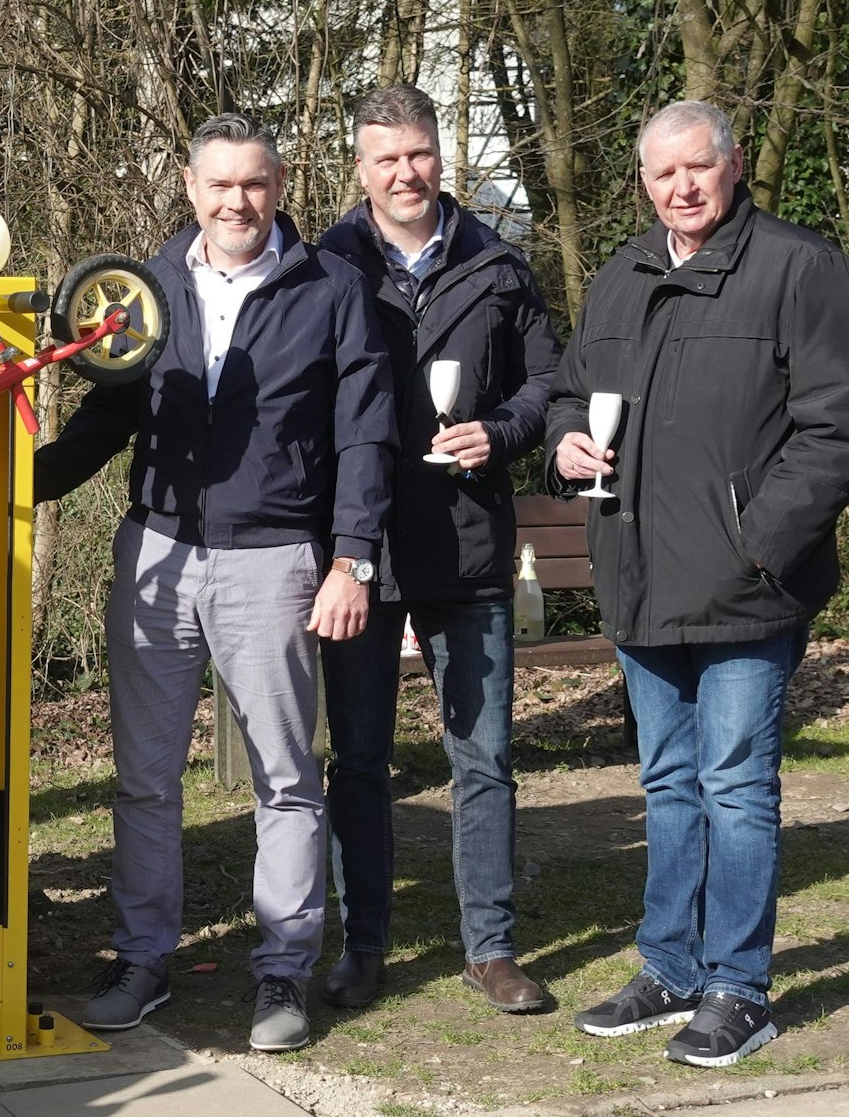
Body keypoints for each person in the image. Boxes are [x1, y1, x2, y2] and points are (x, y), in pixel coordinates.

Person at [35, 113, 393, 1053]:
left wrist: (353, 556)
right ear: (191, 190)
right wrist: (18, 485)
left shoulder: (333, 290)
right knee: (146, 781)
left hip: (275, 562)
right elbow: (107, 418)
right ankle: (143, 958)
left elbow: (365, 436)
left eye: (256, 184)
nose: (239, 201)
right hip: (155, 554)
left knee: (283, 779)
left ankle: (283, 971)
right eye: (220, 185)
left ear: (280, 189)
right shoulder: (147, 290)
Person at [548, 100, 849, 1067]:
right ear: (642, 181)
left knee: (735, 785)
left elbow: (834, 426)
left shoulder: (797, 267)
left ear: (733, 165)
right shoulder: (622, 276)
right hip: (638, 572)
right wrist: (562, 439)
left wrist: (757, 541)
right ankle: (668, 966)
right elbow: (565, 388)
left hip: (746, 585)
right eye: (662, 174)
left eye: (698, 169)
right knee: (668, 781)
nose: (681, 188)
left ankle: (737, 987)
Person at [313, 85, 560, 1014]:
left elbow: (548, 381)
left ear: (440, 155)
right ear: (361, 168)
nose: (405, 173)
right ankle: (365, 944)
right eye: (386, 158)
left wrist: (500, 431)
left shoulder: (500, 262)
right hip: (360, 548)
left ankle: (490, 949)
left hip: (467, 543)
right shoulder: (322, 263)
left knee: (484, 758)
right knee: (361, 759)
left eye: (417, 154)